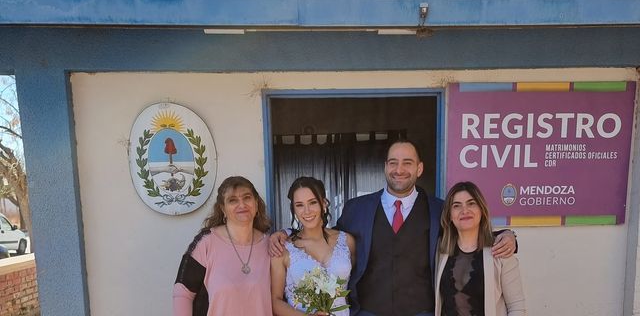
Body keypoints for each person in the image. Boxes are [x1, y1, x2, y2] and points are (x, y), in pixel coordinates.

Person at [270, 139, 516, 316]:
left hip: (421, 310)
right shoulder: (357, 208)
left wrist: (507, 235)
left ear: (419, 169)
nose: (399, 170)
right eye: (393, 162)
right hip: (368, 310)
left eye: (407, 163)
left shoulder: (438, 209)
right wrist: (286, 233)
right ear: (385, 166)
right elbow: (323, 233)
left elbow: (467, 233)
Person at [173, 176, 273, 316]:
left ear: (256, 203)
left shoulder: (270, 245)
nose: (242, 205)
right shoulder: (206, 242)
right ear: (223, 209)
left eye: (247, 198)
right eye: (233, 200)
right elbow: (183, 292)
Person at [435, 181, 526, 315]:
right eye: (456, 206)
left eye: (471, 203)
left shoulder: (501, 249)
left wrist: (509, 234)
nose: (464, 210)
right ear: (449, 215)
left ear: (481, 210)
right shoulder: (440, 250)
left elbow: (517, 307)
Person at [271, 176, 356, 316]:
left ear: (324, 204)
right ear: (294, 209)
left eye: (312, 202)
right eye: (299, 205)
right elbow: (275, 301)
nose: (307, 211)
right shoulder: (283, 249)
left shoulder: (347, 241)